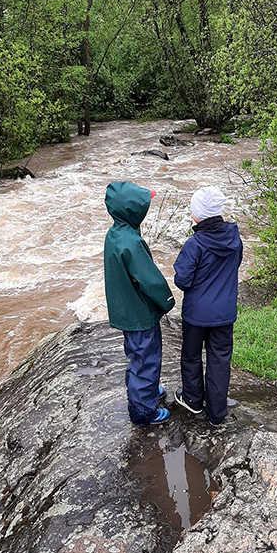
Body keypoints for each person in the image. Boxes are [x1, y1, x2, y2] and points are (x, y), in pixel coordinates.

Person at [104, 180, 175, 425]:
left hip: (126, 309)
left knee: (138, 354)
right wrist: (167, 300)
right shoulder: (131, 242)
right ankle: (143, 410)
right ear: (132, 211)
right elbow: (149, 279)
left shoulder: (116, 233)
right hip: (140, 312)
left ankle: (146, 392)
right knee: (146, 358)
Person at [173, 186, 243, 425]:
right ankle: (217, 413)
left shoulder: (195, 245)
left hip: (196, 315)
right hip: (224, 313)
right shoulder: (234, 238)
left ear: (197, 215)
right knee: (220, 359)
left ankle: (193, 401)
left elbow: (182, 280)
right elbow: (236, 265)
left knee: (191, 356)